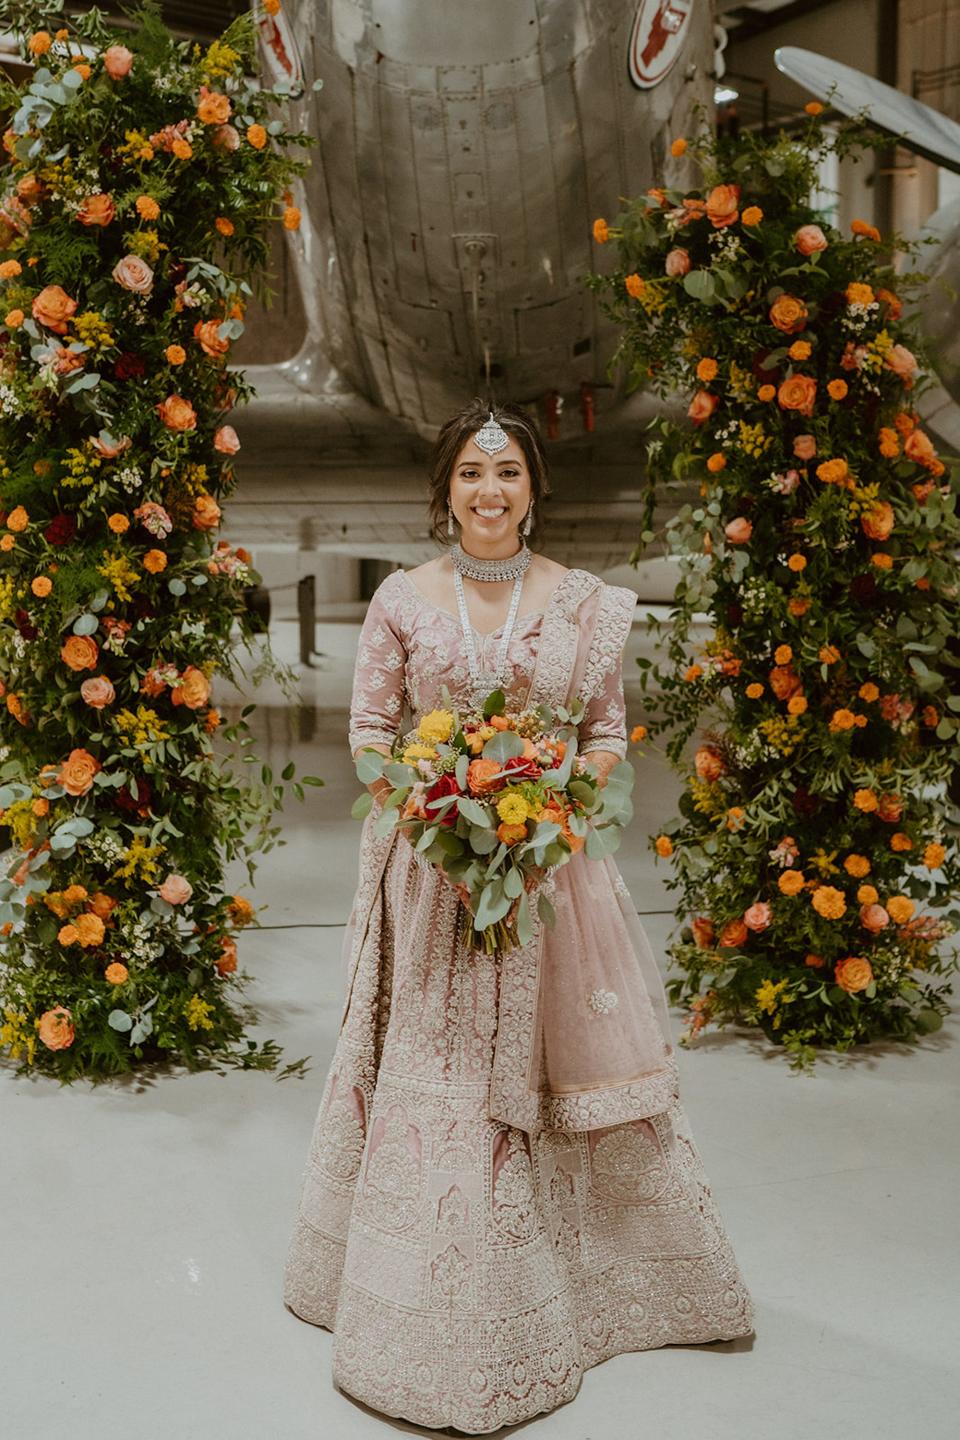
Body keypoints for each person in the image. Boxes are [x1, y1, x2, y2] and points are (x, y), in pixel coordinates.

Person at [283, 400, 755, 1432]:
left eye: (506, 473)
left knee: (560, 1070)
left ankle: (596, 1285)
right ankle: (437, 1307)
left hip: (549, 877)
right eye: (469, 474)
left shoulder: (584, 606)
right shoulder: (404, 601)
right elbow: (370, 730)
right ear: (444, 489)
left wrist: (544, 810)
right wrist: (436, 804)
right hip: (433, 874)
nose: (488, 492)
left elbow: (603, 734)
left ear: (536, 488)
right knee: (445, 1078)